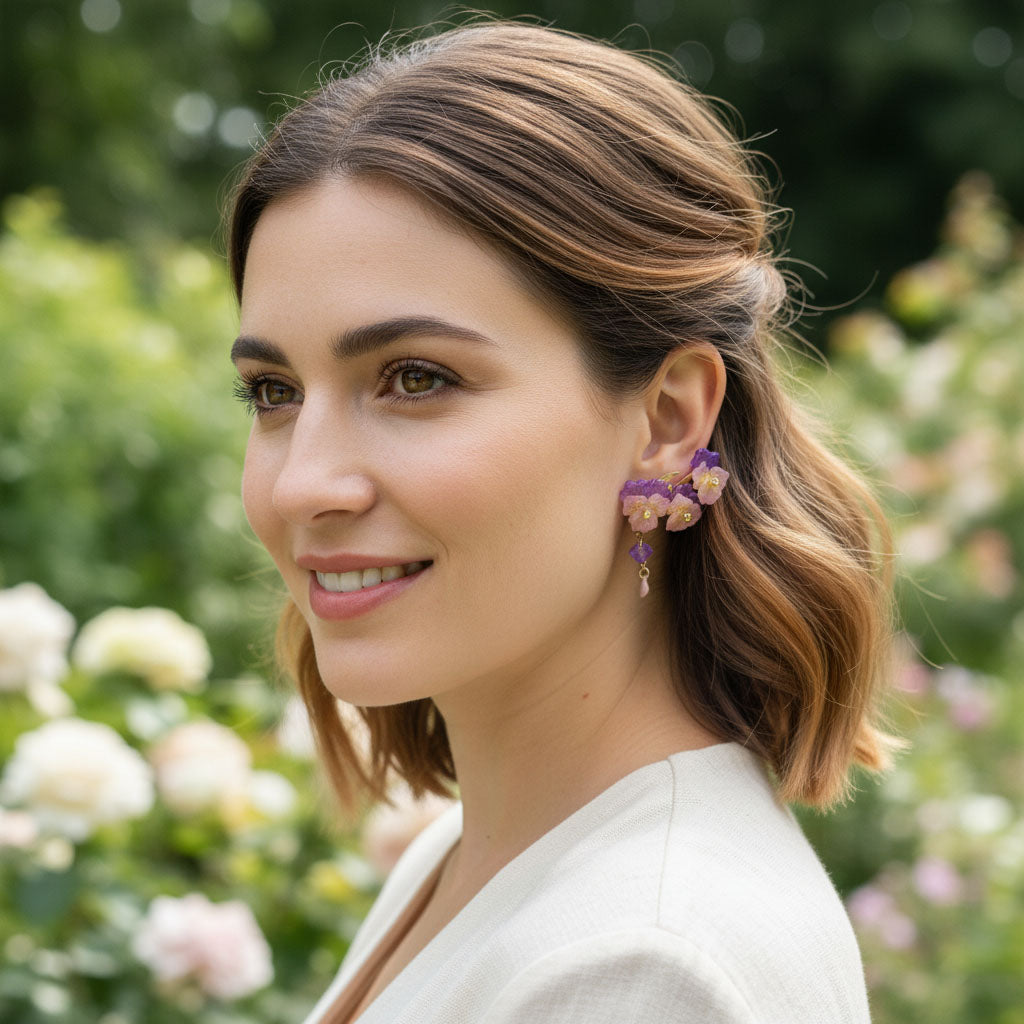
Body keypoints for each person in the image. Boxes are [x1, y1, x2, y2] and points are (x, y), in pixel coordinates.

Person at [227, 20, 899, 1024]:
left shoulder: (642, 966)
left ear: (668, 419)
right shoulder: (474, 858)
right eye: (273, 391)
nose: (300, 485)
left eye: (415, 378)